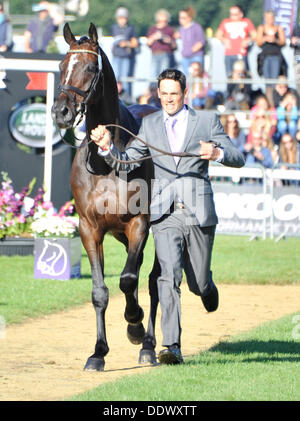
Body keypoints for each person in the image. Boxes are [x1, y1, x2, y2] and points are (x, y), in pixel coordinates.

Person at [90, 68, 245, 365]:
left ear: (185, 94)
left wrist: (217, 153)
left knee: (197, 282)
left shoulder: (206, 121)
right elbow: (125, 163)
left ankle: (206, 286)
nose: (169, 99)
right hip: (164, 213)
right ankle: (171, 347)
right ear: (158, 94)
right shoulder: (148, 126)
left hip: (198, 211)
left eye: (174, 94)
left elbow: (238, 156)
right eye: (164, 94)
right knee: (167, 277)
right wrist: (107, 146)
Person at [216, 5, 256, 77]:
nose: (233, 16)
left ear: (241, 14)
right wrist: (224, 40)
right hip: (229, 54)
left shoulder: (246, 22)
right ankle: (232, 88)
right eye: (231, 14)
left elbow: (255, 35)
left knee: (241, 75)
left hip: (241, 54)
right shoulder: (225, 22)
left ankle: (241, 87)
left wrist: (247, 40)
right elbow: (218, 34)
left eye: (235, 14)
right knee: (230, 75)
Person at [256, 10, 286, 106]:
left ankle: (274, 103)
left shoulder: (278, 28)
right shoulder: (261, 28)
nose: (269, 20)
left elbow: (283, 42)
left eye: (271, 18)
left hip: (276, 57)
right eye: (267, 18)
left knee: (274, 81)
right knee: (267, 82)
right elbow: (258, 42)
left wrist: (275, 40)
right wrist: (265, 39)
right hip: (265, 57)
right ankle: (269, 104)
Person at [111, 7, 139, 96]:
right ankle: (115, 98)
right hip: (116, 56)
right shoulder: (114, 28)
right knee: (115, 78)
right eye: (120, 18)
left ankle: (126, 98)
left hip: (126, 57)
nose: (122, 20)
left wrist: (126, 44)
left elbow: (135, 43)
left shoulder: (130, 28)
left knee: (125, 79)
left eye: (124, 18)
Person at [175, 6, 206, 76]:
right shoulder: (181, 29)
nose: (180, 20)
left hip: (196, 57)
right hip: (185, 58)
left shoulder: (196, 27)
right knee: (187, 77)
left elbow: (202, 42)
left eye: (183, 18)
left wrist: (191, 50)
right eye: (180, 17)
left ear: (189, 18)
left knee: (197, 77)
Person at [146, 9, 176, 78]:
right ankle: (154, 88)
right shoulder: (152, 29)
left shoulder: (170, 29)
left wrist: (169, 40)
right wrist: (154, 37)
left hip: (166, 54)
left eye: (164, 21)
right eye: (160, 21)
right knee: (153, 74)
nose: (162, 23)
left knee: (164, 75)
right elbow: (148, 43)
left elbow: (174, 46)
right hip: (154, 54)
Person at [290, 23, 300, 95]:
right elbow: (291, 45)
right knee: (298, 80)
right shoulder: (297, 28)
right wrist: (293, 42)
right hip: (298, 56)